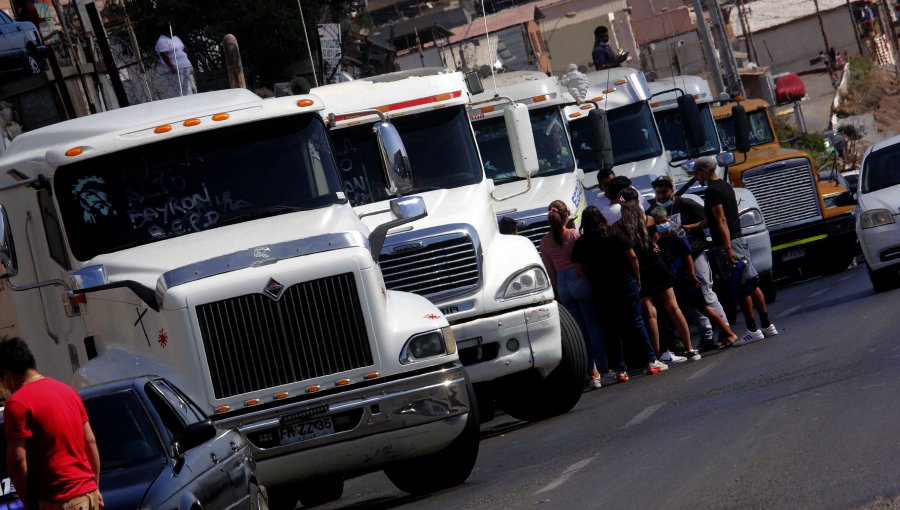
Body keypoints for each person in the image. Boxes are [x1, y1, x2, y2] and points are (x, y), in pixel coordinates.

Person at [1, 338, 103, 510]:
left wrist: (27, 500)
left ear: (7, 374)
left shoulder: (17, 403)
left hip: (60, 500)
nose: (5, 386)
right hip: (89, 495)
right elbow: (90, 441)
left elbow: (17, 461)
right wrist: (95, 487)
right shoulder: (68, 391)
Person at [572, 206, 668, 382]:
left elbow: (578, 270)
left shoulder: (582, 242)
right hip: (624, 281)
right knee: (636, 321)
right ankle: (650, 360)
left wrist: (592, 281)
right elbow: (632, 256)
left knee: (611, 329)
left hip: (602, 288)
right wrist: (637, 277)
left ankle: (620, 370)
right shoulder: (613, 233)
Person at [691, 157, 777, 347]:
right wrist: (691, 227)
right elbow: (714, 220)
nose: (696, 177)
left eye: (696, 173)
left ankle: (753, 329)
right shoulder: (725, 186)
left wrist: (728, 247)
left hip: (728, 244)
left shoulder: (712, 191)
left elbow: (721, 220)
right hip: (739, 240)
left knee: (741, 288)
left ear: (705, 171)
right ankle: (767, 325)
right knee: (752, 284)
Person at [618, 190, 700, 362]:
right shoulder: (648, 219)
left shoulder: (620, 226)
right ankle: (690, 349)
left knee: (650, 314)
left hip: (639, 269)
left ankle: (658, 356)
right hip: (656, 265)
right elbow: (656, 240)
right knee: (673, 307)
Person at [650, 175, 731, 350]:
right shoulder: (654, 211)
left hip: (695, 253)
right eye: (658, 192)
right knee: (690, 302)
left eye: (664, 191)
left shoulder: (685, 204)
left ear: (672, 190)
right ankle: (707, 337)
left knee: (706, 293)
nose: (661, 195)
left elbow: (709, 219)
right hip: (676, 263)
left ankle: (725, 331)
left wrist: (690, 228)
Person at [540, 201, 611, 388]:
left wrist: (557, 290)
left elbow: (550, 272)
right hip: (579, 279)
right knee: (593, 326)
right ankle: (605, 369)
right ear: (566, 216)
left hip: (563, 285)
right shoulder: (573, 235)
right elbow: (583, 260)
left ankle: (592, 373)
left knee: (578, 332)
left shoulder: (544, 242)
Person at [156, 23, 197, 97]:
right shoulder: (162, 41)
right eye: (170, 28)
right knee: (184, 90)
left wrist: (185, 49)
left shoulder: (176, 38)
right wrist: (171, 66)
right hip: (177, 68)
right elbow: (164, 54)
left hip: (186, 65)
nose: (172, 29)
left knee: (193, 86)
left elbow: (181, 48)